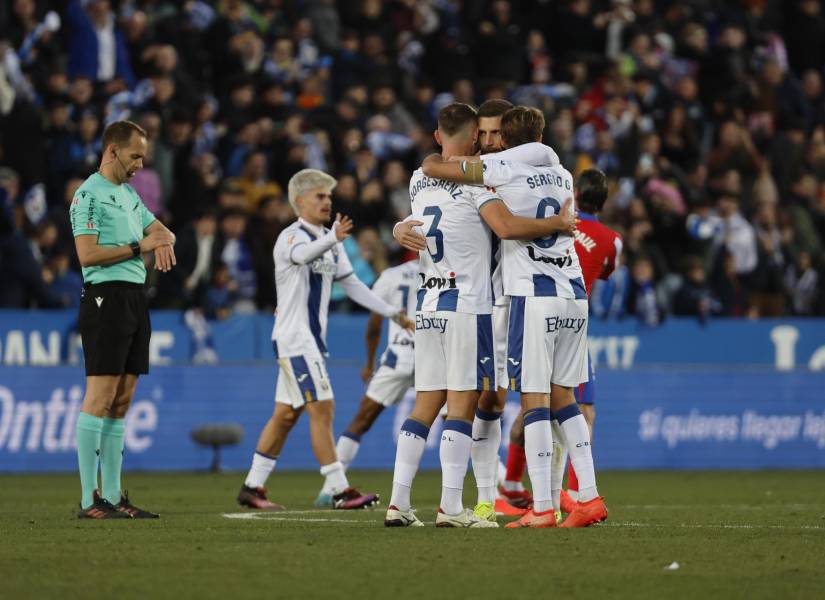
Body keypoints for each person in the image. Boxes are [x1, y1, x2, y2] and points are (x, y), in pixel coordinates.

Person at [385, 103, 574, 528]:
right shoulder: (481, 184)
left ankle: (399, 503)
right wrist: (557, 225)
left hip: (429, 305)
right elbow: (505, 228)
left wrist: (399, 227)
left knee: (426, 405)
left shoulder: (420, 180)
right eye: (482, 136)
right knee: (463, 406)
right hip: (471, 306)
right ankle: (452, 507)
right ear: (474, 139)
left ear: (438, 136)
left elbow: (426, 203)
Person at [421, 106, 608, 528]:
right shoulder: (561, 171)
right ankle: (588, 497)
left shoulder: (499, 167)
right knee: (566, 398)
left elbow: (441, 172)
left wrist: (434, 160)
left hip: (531, 294)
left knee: (533, 401)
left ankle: (542, 506)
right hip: (573, 292)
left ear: (505, 137)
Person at [236, 168, 414, 511]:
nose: (327, 201)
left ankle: (252, 486)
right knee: (323, 407)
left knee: (286, 415)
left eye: (329, 196)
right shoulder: (293, 236)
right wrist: (332, 238)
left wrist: (393, 313)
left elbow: (354, 286)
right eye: (320, 196)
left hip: (309, 340)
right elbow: (303, 256)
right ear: (300, 200)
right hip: (295, 338)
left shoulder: (329, 242)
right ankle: (338, 488)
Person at [70, 120, 177, 519]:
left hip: (135, 298)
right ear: (112, 151)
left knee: (122, 401)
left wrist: (164, 239)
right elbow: (87, 255)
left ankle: (114, 496)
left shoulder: (129, 195)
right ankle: (88, 499)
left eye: (143, 157)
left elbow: (161, 231)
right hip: (105, 298)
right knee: (99, 398)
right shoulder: (88, 195)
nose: (140, 165)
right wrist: (140, 245)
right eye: (135, 156)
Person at [333, 258, 418, 472]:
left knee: (362, 419)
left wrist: (369, 363)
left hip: (399, 355)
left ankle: (333, 484)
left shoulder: (391, 275)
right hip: (433, 357)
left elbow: (374, 325)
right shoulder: (444, 272)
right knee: (456, 420)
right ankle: (495, 483)